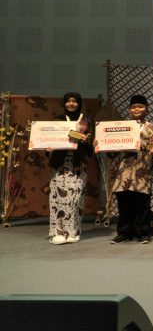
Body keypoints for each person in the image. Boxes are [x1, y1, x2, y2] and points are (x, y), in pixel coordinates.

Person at [107, 95, 153, 244]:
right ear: (129, 110)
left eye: (140, 106)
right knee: (124, 202)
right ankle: (124, 233)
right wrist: (102, 145)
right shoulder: (121, 127)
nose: (136, 109)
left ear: (147, 109)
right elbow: (112, 151)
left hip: (142, 170)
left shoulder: (152, 128)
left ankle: (143, 233)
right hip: (124, 171)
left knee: (142, 203)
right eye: (133, 107)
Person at [47, 92, 93, 245]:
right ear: (64, 103)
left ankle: (73, 232)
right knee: (58, 198)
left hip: (78, 164)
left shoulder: (86, 120)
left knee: (76, 198)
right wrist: (47, 147)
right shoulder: (58, 120)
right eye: (68, 101)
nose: (71, 104)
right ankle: (57, 232)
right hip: (60, 164)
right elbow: (49, 138)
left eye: (75, 101)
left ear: (79, 103)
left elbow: (92, 144)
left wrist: (85, 141)